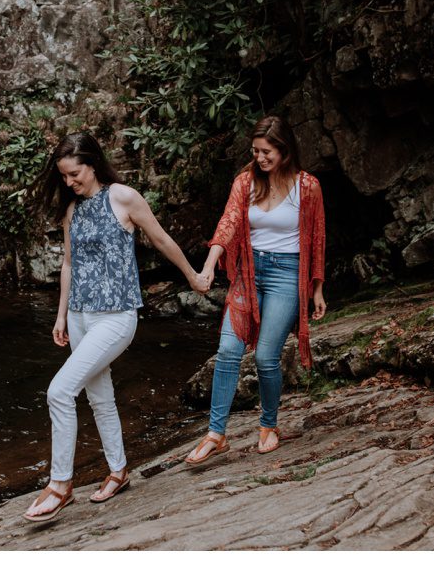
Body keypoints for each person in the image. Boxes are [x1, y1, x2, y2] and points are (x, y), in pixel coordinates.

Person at [23, 132, 208, 521]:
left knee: (59, 391)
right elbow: (69, 265)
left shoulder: (123, 197)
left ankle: (60, 485)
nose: (69, 182)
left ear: (92, 163)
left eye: (74, 174)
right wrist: (60, 316)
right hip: (79, 315)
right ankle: (119, 471)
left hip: (117, 316)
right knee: (99, 398)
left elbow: (160, 239)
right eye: (64, 177)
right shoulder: (73, 210)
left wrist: (192, 275)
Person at [185, 114, 327, 464]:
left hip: (286, 275)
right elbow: (229, 222)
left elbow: (318, 238)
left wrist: (317, 288)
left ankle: (269, 425)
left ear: (284, 150)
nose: (260, 158)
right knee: (228, 350)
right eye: (256, 151)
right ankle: (216, 434)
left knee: (265, 357)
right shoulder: (245, 182)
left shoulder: (307, 186)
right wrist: (206, 267)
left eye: (267, 152)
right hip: (249, 272)